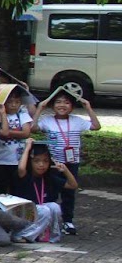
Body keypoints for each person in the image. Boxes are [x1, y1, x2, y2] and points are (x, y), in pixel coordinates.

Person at [32, 87, 99, 234]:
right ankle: (49, 222)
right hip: (54, 164)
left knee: (69, 194)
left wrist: (88, 107)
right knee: (51, 193)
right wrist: (40, 108)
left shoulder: (77, 121)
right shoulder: (47, 121)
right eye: (58, 102)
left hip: (72, 163)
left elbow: (96, 126)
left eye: (66, 102)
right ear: (52, 105)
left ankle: (68, 221)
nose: (62, 105)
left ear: (72, 107)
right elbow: (33, 128)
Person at [12, 141, 73, 243]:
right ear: (29, 162)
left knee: (54, 207)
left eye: (45, 161)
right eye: (37, 161)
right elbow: (21, 168)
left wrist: (65, 170)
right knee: (44, 210)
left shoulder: (49, 178)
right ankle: (21, 235)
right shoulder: (25, 176)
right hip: (20, 212)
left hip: (39, 213)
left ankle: (51, 235)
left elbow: (72, 185)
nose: (41, 165)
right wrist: (27, 148)